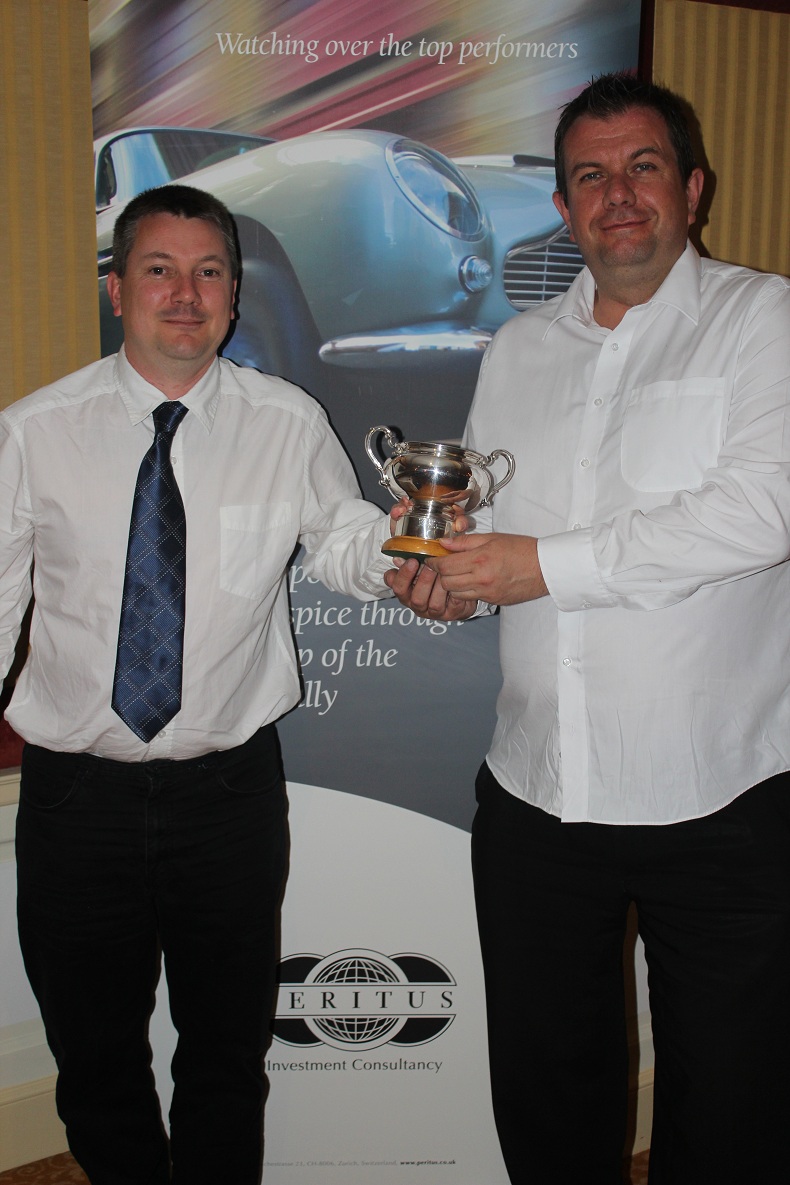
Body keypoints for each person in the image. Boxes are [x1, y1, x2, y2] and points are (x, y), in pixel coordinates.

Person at [386, 73, 790, 1184]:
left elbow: (761, 512)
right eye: (591, 176)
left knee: (735, 1102)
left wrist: (537, 565)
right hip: (536, 792)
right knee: (547, 1093)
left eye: (643, 167)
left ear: (692, 189)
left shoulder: (765, 319)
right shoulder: (516, 349)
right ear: (563, 206)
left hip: (720, 794)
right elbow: (494, 536)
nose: (619, 194)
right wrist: (456, 584)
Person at [2, 184, 397, 1185]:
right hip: (75, 798)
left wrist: (409, 551)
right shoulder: (34, 432)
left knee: (226, 1056)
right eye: (159, 270)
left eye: (209, 271)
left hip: (227, 798)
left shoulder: (286, 421)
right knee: (95, 1060)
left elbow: (342, 540)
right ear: (117, 289)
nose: (186, 293)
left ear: (233, 292)